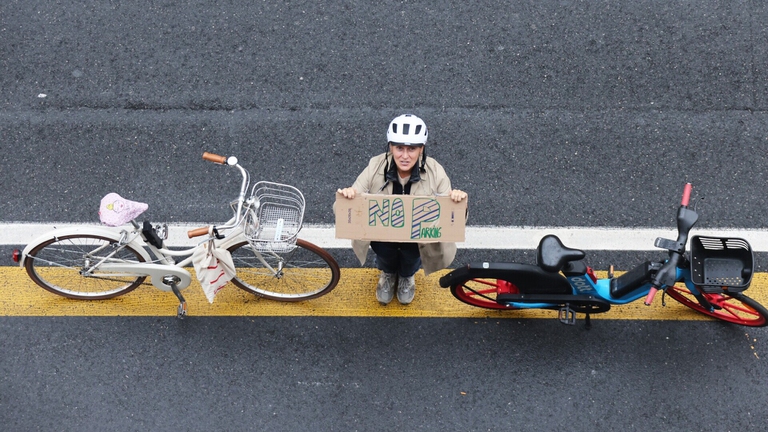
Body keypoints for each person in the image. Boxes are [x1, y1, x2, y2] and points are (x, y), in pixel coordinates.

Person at [338, 114, 468, 305]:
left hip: (416, 242)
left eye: (412, 149)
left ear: (421, 149)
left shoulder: (436, 171)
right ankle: (388, 274)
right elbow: (353, 196)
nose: (405, 156)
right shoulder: (375, 165)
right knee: (385, 258)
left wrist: (456, 202)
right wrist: (349, 195)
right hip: (383, 238)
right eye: (399, 148)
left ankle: (407, 277)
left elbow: (451, 219)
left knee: (410, 261)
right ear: (391, 147)